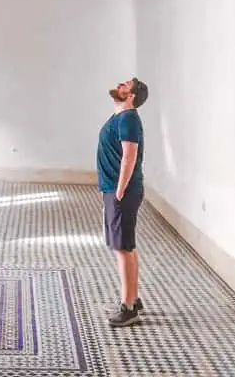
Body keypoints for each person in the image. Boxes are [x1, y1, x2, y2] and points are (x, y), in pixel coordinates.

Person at [97, 77, 149, 328]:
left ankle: (128, 308)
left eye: (125, 85)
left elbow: (130, 155)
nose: (120, 84)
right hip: (117, 191)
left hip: (123, 192)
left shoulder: (128, 118)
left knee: (123, 248)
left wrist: (118, 192)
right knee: (125, 244)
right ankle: (134, 298)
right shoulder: (121, 117)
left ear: (132, 96)